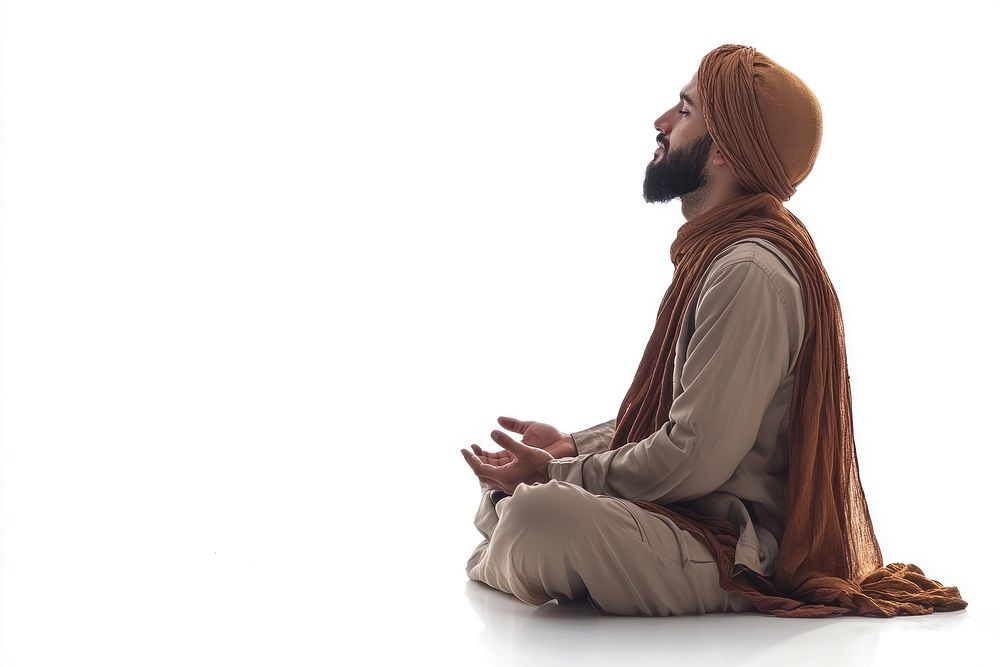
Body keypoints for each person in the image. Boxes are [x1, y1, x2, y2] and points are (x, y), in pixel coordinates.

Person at [460, 44, 968, 618]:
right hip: (684, 514)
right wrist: (575, 446)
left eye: (683, 110)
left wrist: (556, 474)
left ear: (724, 149)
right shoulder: (720, 256)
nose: (661, 123)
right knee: (525, 495)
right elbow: (691, 415)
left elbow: (694, 457)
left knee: (539, 514)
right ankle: (513, 531)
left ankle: (506, 538)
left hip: (727, 546)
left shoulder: (747, 271)